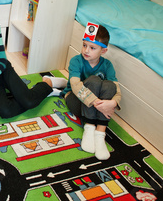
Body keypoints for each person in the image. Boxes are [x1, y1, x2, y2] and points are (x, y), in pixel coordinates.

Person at [49, 23, 121, 160]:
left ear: (103, 51)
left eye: (92, 48)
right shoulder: (76, 61)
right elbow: (75, 85)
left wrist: (112, 103)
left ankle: (100, 134)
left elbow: (116, 89)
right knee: (93, 81)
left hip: (95, 106)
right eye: (84, 45)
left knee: (110, 86)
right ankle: (89, 128)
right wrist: (98, 103)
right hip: (75, 99)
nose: (86, 51)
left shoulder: (107, 65)